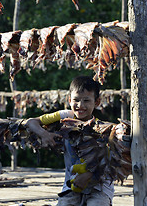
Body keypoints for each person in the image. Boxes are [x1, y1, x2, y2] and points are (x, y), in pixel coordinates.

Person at [25, 75, 113, 206]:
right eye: (76, 100)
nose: (80, 105)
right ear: (69, 100)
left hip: (99, 187)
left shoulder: (102, 128)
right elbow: (30, 122)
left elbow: (110, 160)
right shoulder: (65, 116)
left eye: (86, 101)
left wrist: (88, 175)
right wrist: (44, 134)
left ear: (97, 102)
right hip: (71, 186)